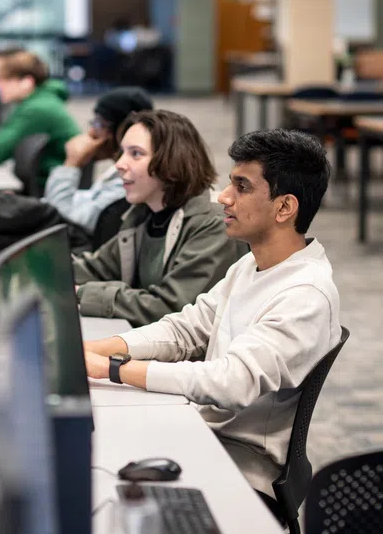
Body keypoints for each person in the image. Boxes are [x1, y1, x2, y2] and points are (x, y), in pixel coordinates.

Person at [83, 128, 341, 501]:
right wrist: (94, 348)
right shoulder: (251, 265)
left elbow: (230, 382)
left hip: (241, 467)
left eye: (242, 187)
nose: (223, 198)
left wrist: (111, 369)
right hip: (203, 432)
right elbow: (185, 330)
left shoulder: (305, 295)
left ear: (285, 207)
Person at [73, 110, 248, 327]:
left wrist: (83, 293)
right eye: (122, 153)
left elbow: (170, 307)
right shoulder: (143, 215)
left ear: (172, 161)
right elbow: (97, 268)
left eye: (135, 154)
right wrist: (41, 269)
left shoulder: (213, 223)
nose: (119, 163)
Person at [0, 86, 153, 256]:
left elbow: (67, 215)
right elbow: (81, 202)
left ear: (121, 131)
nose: (90, 132)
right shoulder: (115, 173)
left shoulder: (130, 181)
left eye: (98, 124)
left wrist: (71, 164)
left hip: (73, 251)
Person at [0, 49, 79, 190]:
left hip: (49, 191)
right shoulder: (38, 101)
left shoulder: (37, 109)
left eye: (4, 80)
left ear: (26, 82)